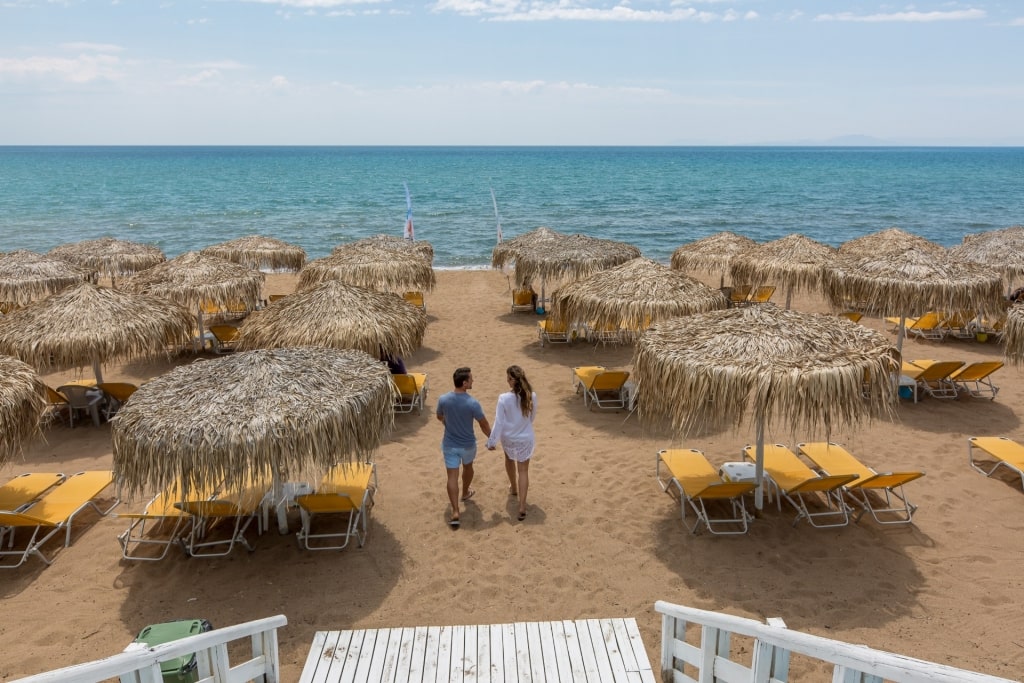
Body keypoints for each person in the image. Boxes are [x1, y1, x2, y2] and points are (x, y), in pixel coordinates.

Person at [436, 367, 491, 528]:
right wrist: (492, 439)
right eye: (471, 379)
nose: (473, 381)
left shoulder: (443, 399)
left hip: (449, 444)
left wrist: (447, 423)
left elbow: (439, 416)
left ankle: (455, 511)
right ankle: (465, 492)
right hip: (467, 445)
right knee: (468, 468)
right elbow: (484, 424)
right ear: (465, 383)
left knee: (452, 476)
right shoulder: (472, 403)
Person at [485, 365, 537, 521]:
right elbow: (532, 418)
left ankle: (514, 487)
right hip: (525, 437)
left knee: (509, 460)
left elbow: (498, 422)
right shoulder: (531, 395)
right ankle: (522, 506)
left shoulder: (503, 398)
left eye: (508, 378)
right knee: (524, 470)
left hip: (509, 438)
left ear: (511, 380)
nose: (507, 381)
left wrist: (491, 441)